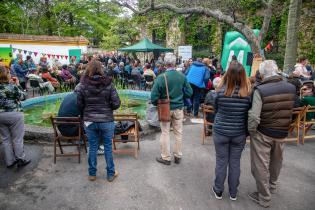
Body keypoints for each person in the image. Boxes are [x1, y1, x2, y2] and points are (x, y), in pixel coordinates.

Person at [248, 60, 296, 208]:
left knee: (260, 164)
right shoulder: (291, 88)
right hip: (282, 132)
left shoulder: (260, 90)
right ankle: (272, 186)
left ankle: (264, 197)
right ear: (276, 71)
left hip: (263, 132)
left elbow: (254, 116)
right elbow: (292, 109)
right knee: (276, 160)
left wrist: (251, 131)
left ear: (262, 74)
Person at [211, 61, 251, 201]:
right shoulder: (247, 95)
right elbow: (248, 114)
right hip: (239, 133)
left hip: (221, 131)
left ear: (228, 74)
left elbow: (216, 110)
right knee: (235, 162)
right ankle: (233, 192)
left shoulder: (219, 92)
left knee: (221, 162)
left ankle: (218, 190)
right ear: (242, 76)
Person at [76, 60, 121, 182]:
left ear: (88, 70)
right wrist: (107, 107)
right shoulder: (108, 84)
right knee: (107, 147)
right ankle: (110, 174)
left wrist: (87, 111)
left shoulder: (82, 85)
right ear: (101, 69)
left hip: (89, 121)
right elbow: (116, 104)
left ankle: (92, 174)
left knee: (93, 146)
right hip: (106, 120)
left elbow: (79, 105)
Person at [151, 53, 193, 165]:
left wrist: (158, 103)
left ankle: (166, 157)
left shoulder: (161, 78)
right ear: (175, 63)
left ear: (165, 64)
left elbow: (153, 97)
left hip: (165, 109)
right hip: (179, 108)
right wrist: (181, 97)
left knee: (165, 133)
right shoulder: (182, 76)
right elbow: (190, 92)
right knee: (178, 133)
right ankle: (178, 155)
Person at [0, 65, 31, 168]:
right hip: (14, 114)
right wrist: (18, 84)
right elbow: (23, 97)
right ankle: (20, 159)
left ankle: (10, 161)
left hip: (0, 116)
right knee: (17, 138)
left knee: (5, 139)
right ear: (6, 74)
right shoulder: (12, 87)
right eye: (9, 73)